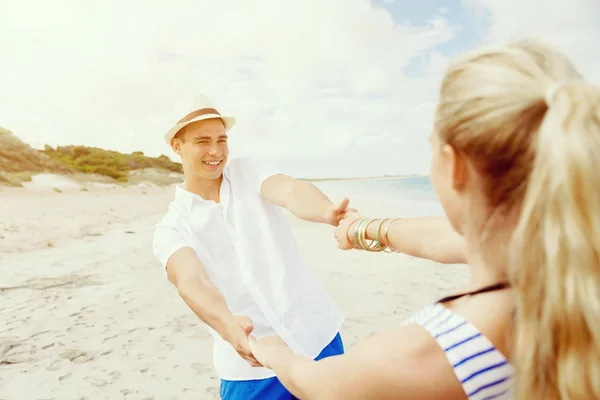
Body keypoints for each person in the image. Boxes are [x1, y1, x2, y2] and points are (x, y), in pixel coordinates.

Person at [248, 38, 600, 400]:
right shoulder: (569, 258)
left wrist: (276, 355)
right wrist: (365, 229)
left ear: (454, 166)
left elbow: (318, 386)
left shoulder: (430, 356)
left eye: (431, 146)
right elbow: (446, 238)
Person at [152, 94, 352, 399]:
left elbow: (289, 190)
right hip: (252, 370)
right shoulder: (171, 228)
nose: (216, 151)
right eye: (202, 141)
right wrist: (228, 326)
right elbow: (191, 281)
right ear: (177, 146)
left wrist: (328, 212)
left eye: (222, 139)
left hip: (316, 339)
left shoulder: (248, 171)